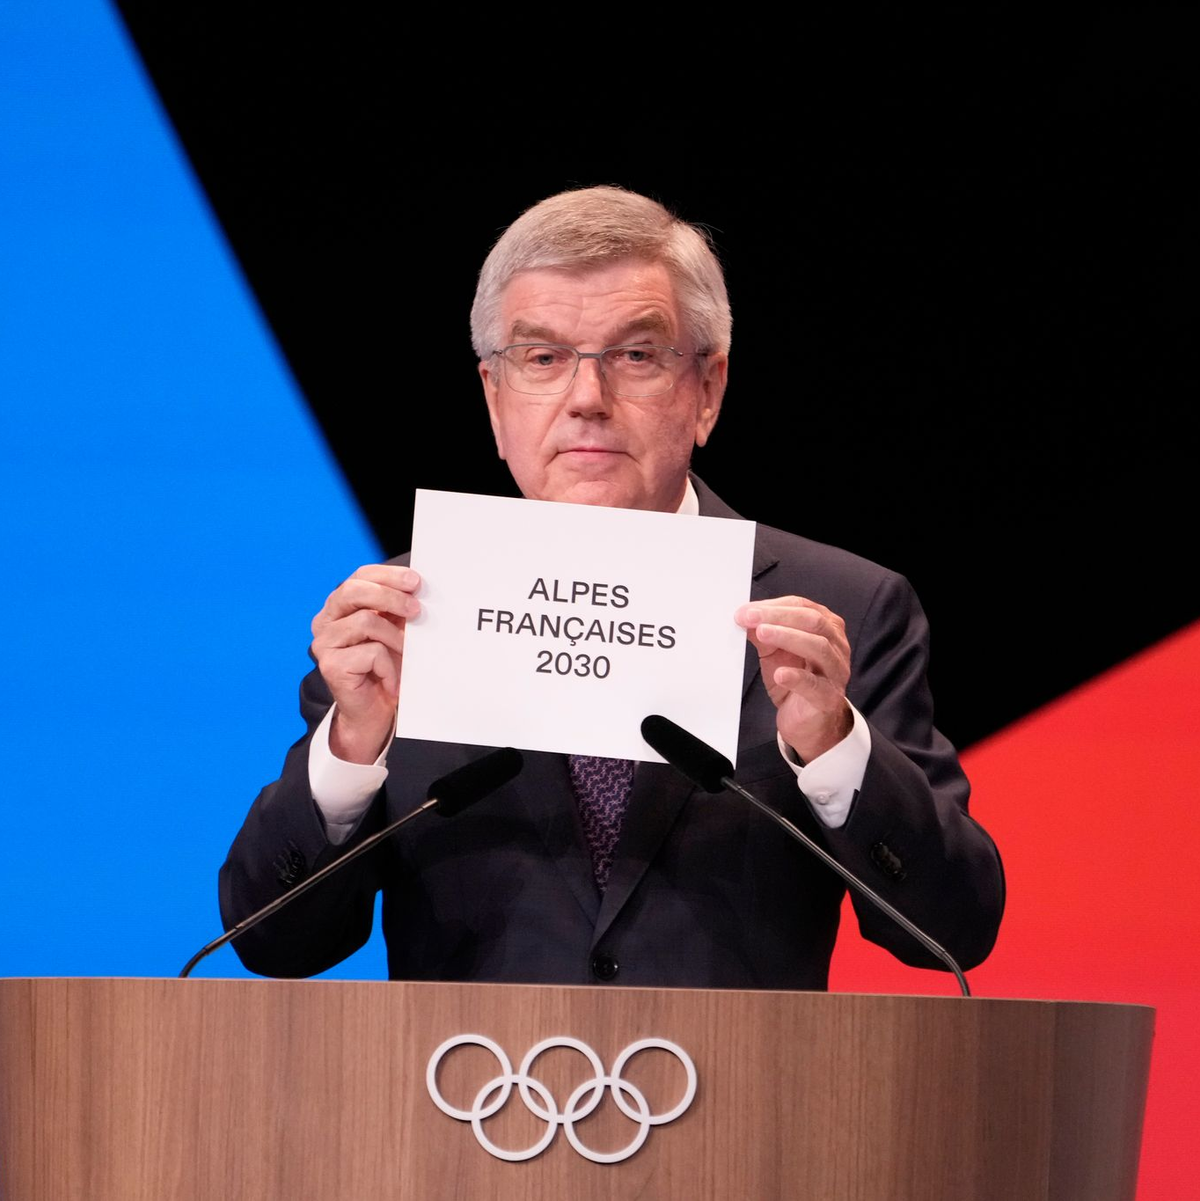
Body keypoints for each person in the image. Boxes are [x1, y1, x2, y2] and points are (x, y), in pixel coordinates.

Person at [220, 186, 1003, 988]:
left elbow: (958, 924)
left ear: (709, 389)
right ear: (495, 399)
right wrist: (354, 747)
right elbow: (274, 943)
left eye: (635, 355)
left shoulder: (843, 608)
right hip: (470, 1100)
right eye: (543, 358)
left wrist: (835, 744)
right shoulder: (403, 615)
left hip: (744, 1101)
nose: (587, 400)